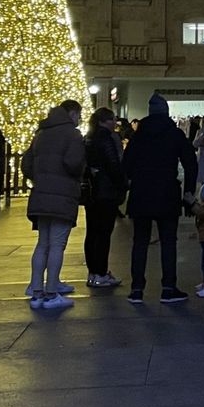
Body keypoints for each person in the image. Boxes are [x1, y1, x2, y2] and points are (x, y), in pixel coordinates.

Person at [122, 93, 198, 304]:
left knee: (140, 242)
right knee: (168, 242)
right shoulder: (173, 134)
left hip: (141, 193)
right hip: (167, 193)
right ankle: (168, 287)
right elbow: (190, 162)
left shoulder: (139, 136)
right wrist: (188, 192)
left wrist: (128, 183)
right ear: (166, 112)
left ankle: (137, 289)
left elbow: (126, 165)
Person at [22, 99, 86, 310]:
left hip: (41, 193)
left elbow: (26, 164)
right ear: (72, 114)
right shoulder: (72, 135)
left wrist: (41, 177)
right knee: (57, 244)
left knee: (43, 243)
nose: (79, 119)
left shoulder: (41, 133)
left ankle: (36, 289)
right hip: (63, 194)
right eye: (78, 114)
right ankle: (51, 293)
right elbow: (73, 163)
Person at [84, 106, 126, 288]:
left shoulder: (88, 138)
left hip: (92, 192)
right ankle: (101, 272)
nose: (115, 124)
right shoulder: (106, 139)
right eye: (112, 120)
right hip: (106, 192)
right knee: (104, 233)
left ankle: (93, 272)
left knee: (92, 232)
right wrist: (123, 184)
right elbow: (113, 165)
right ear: (104, 121)